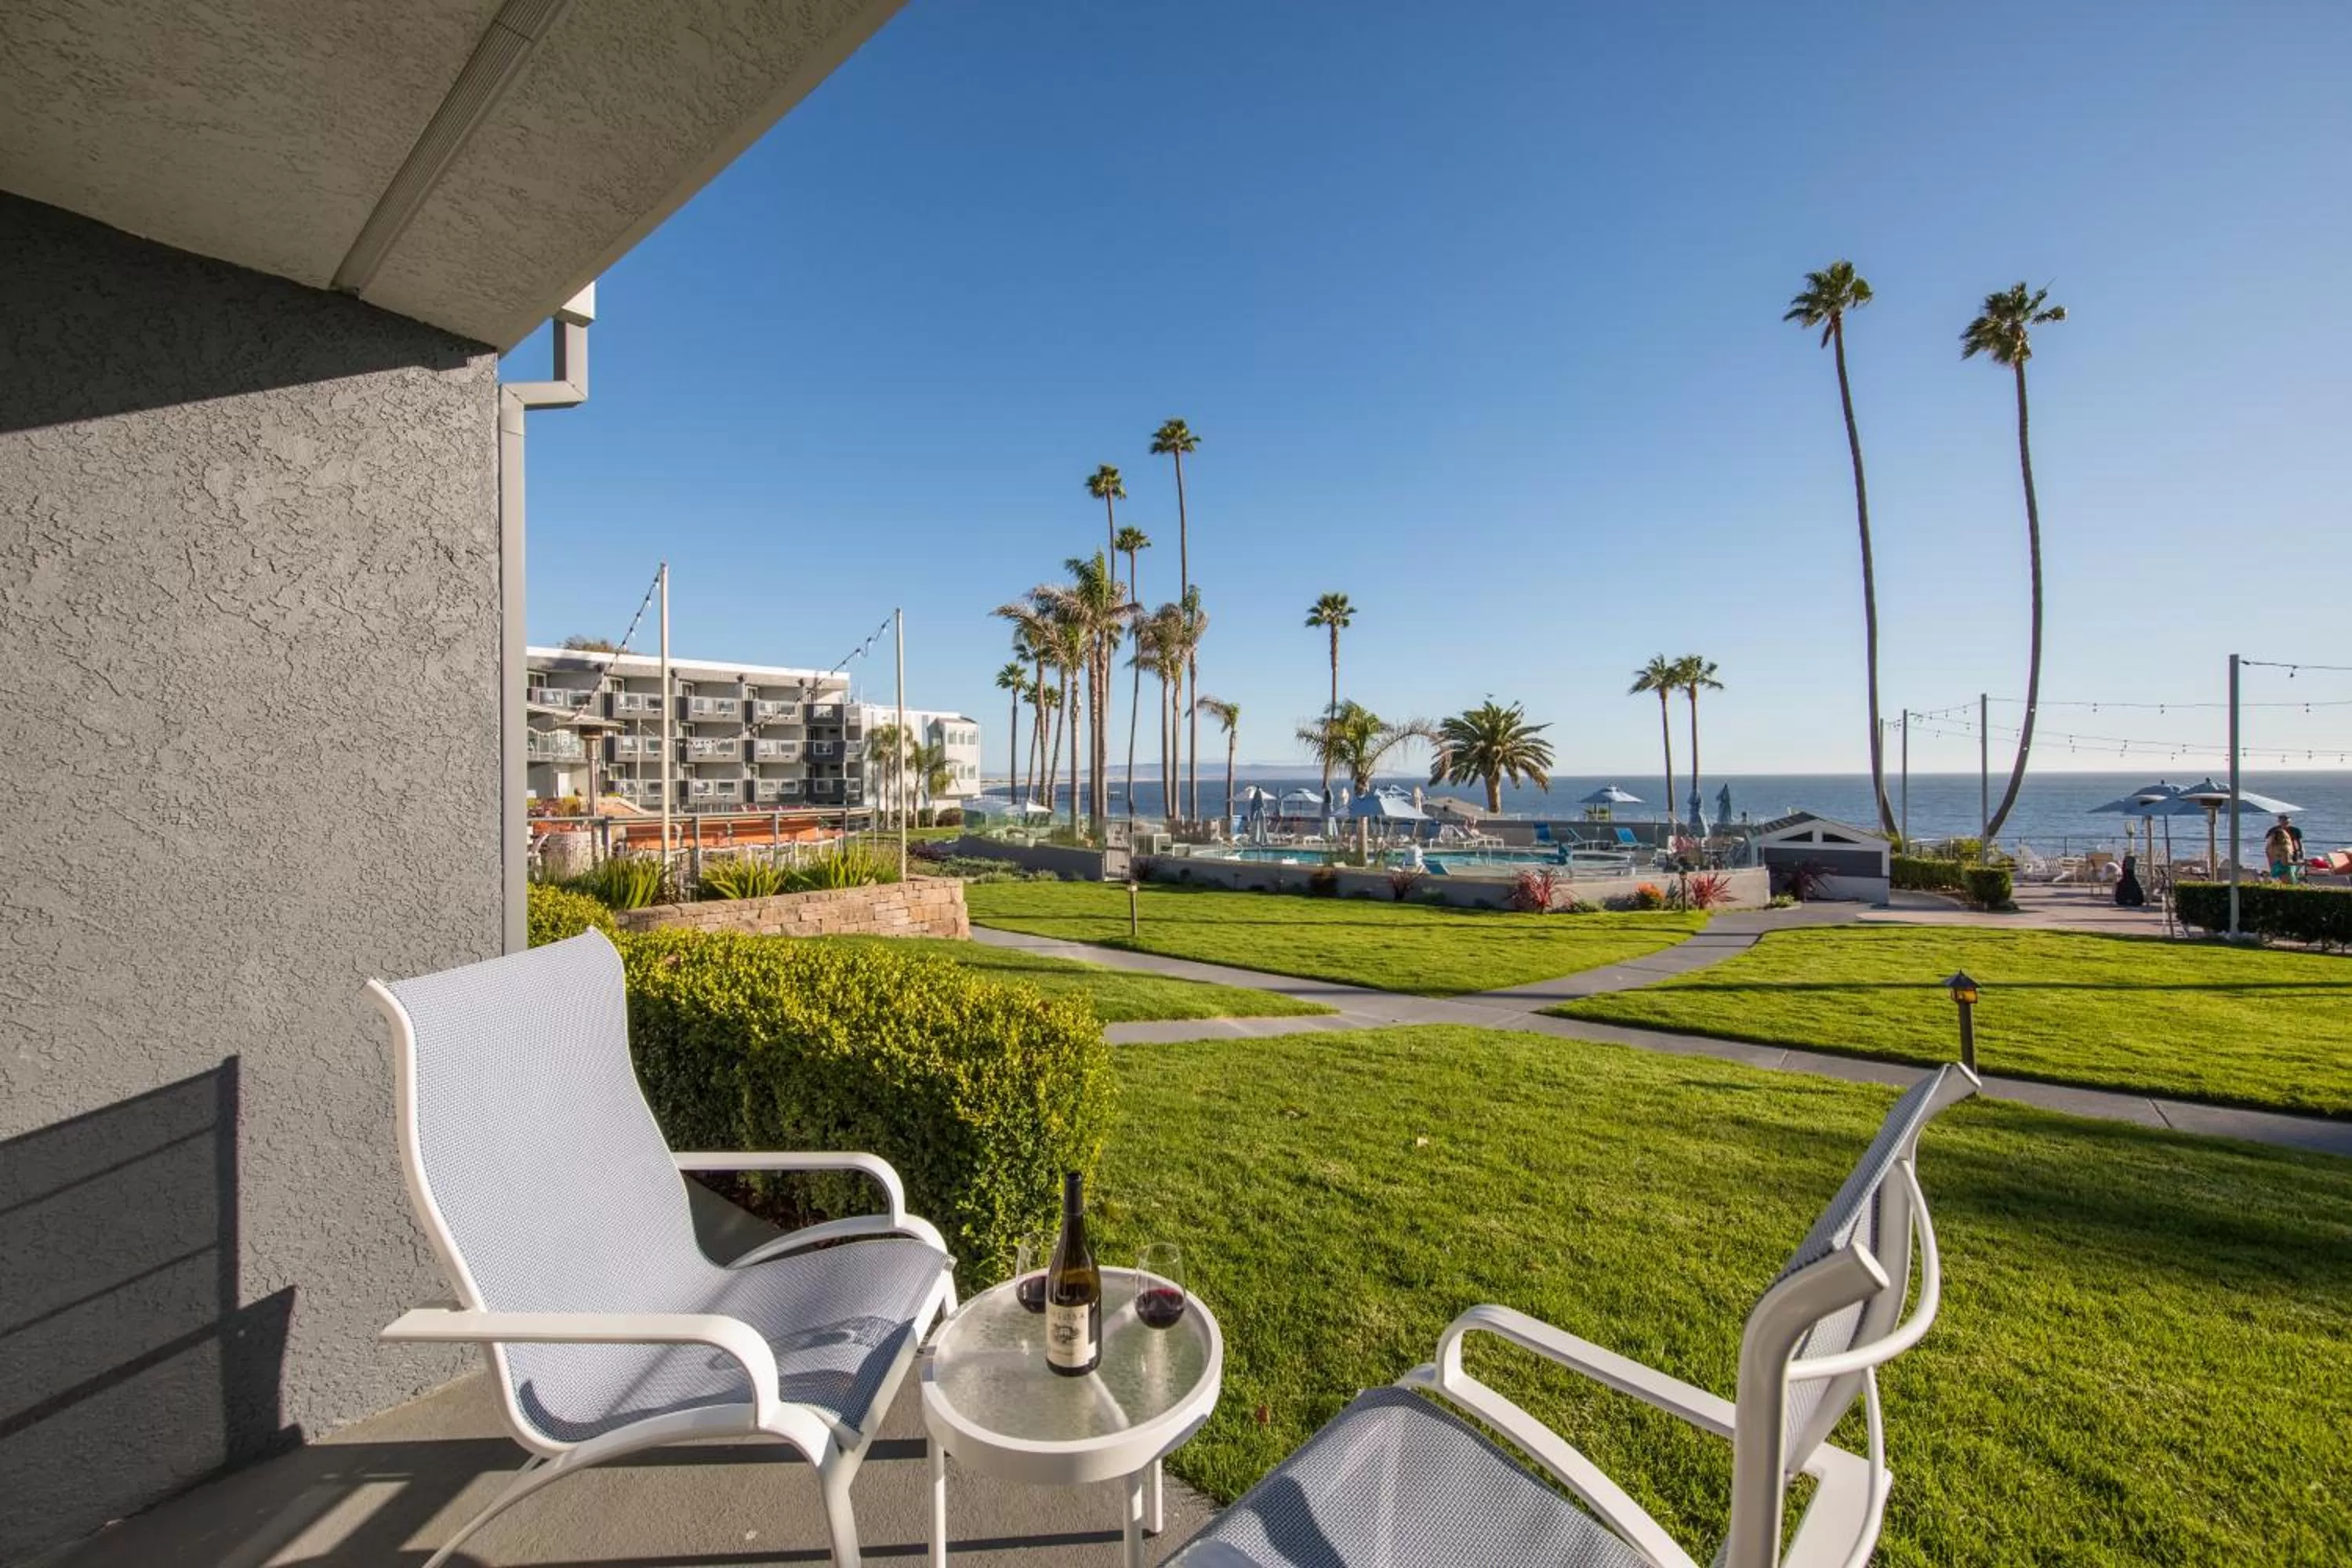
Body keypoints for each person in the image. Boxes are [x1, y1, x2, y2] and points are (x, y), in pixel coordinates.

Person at [2263, 814, 2305, 882]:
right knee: (2285, 870)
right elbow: (2268, 843)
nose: (2285, 822)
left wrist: (2302, 854)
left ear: (2290, 821)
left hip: (2292, 852)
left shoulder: (2295, 830)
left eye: (2286, 820)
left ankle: (2288, 879)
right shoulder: (2274, 830)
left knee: (2290, 870)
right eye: (2283, 820)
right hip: (2278, 852)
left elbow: (2300, 844)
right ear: (2279, 821)